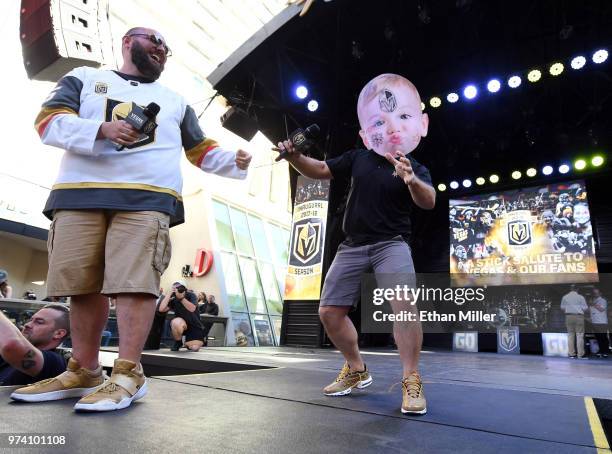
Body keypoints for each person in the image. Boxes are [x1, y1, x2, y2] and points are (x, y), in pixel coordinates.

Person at [13, 26, 251, 412]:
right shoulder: (86, 78)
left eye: (166, 45)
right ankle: (84, 370)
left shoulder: (174, 101)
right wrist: (101, 129)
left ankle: (127, 373)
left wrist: (234, 160)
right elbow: (47, 121)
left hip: (147, 197)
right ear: (128, 42)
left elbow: (201, 149)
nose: (162, 47)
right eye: (154, 39)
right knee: (81, 284)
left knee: (135, 283)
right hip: (79, 192)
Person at [276, 73, 435, 414]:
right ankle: (357, 369)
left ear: (420, 124)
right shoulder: (358, 157)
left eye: (402, 117)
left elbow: (428, 201)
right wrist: (292, 157)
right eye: (380, 120)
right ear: (366, 133)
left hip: (391, 244)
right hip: (352, 245)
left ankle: (411, 380)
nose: (391, 126)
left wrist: (410, 180)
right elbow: (319, 169)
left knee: (404, 306)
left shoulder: (415, 165)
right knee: (329, 312)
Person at [1, 304, 71, 390]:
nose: (27, 324)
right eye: (30, 320)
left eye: (39, 322)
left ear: (59, 334)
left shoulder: (55, 362)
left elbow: (12, 344)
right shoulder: (6, 357)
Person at [158, 282, 204, 352]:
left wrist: (181, 298)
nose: (179, 290)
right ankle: (178, 341)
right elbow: (161, 309)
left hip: (194, 325)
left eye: (180, 288)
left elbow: (192, 309)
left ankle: (188, 343)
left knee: (194, 348)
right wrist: (169, 294)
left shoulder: (191, 295)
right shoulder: (174, 298)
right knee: (175, 322)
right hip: (181, 324)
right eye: (176, 288)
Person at [560, 285, 588, 358]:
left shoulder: (565, 297)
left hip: (568, 316)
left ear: (570, 289)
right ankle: (580, 354)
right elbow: (585, 308)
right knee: (579, 335)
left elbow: (562, 308)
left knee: (570, 335)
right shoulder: (580, 297)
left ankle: (571, 354)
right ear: (577, 289)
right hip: (578, 316)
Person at [589, 288, 609, 358]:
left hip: (602, 322)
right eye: (594, 293)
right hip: (595, 322)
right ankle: (600, 351)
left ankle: (605, 351)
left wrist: (593, 304)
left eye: (596, 293)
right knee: (598, 338)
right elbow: (591, 312)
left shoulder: (603, 301)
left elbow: (601, 309)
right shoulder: (593, 301)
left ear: (600, 293)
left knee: (603, 337)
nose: (595, 294)